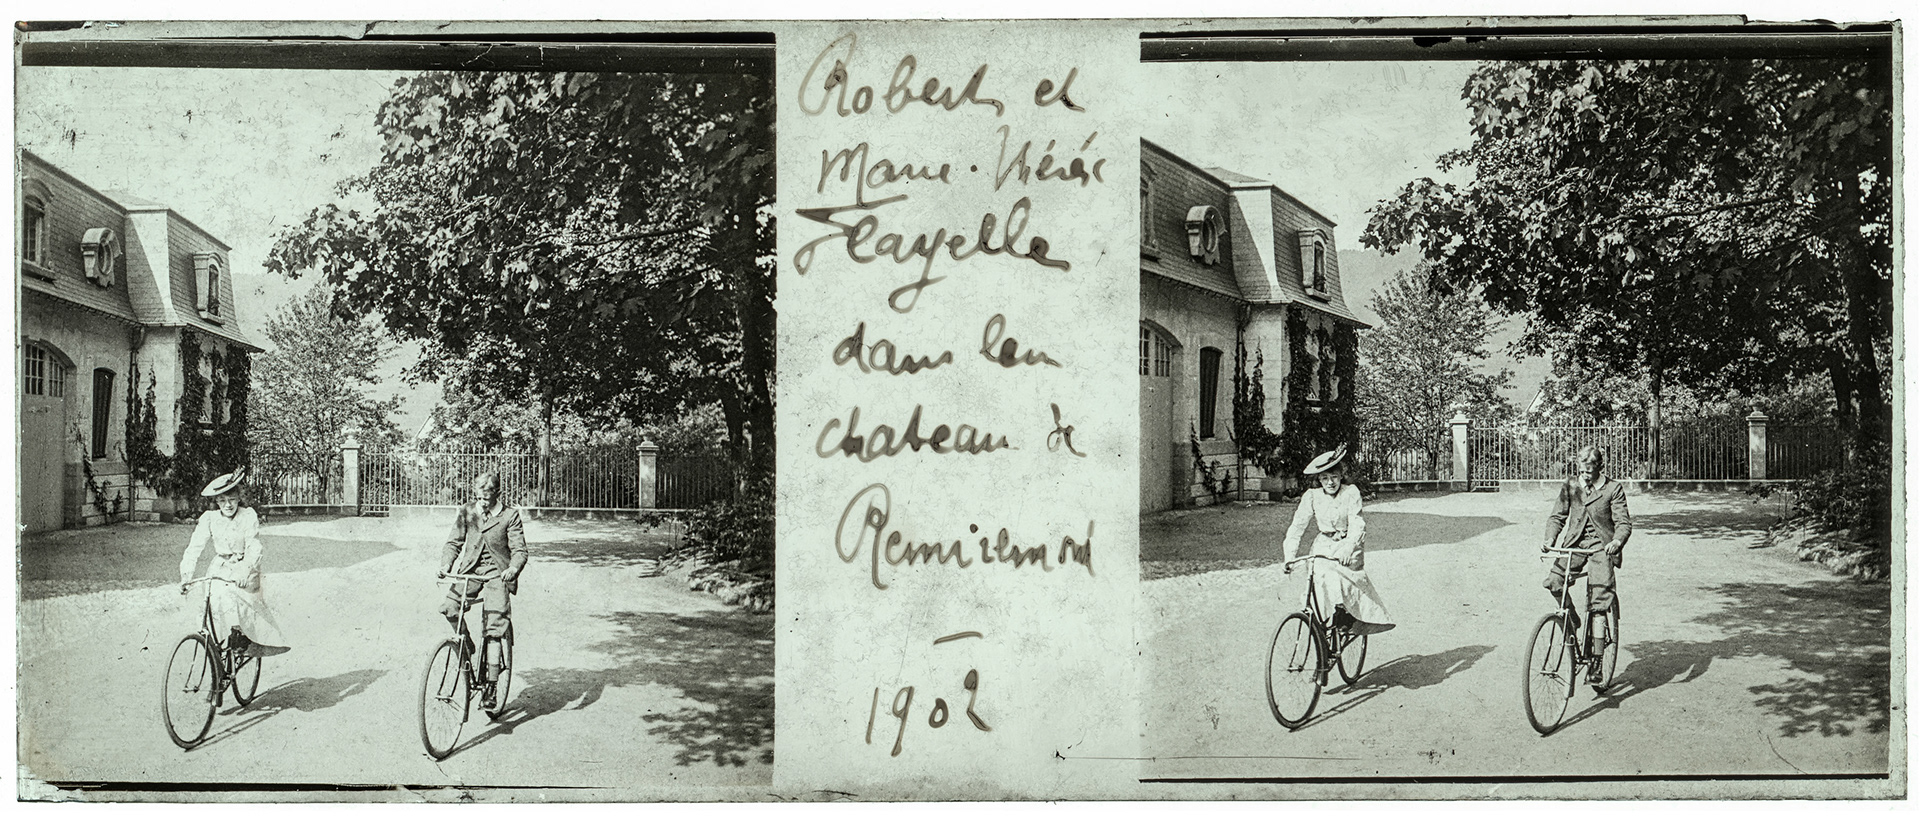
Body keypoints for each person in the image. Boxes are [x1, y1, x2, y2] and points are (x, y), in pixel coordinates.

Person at [1282, 444, 1395, 636]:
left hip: (1348, 543)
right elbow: (1297, 527)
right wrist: (1289, 556)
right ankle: (1321, 628)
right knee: (1316, 579)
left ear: (1341, 475)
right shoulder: (1312, 496)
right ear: (1319, 480)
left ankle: (1346, 616)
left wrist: (1348, 548)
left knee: (1339, 576)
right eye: (1325, 478)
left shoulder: (1350, 492)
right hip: (1324, 544)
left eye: (1334, 477)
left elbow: (1357, 523)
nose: (1330, 482)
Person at [1541, 445, 1632, 683]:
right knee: (1554, 582)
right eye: (1582, 471)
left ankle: (1597, 663)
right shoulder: (1572, 485)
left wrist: (1617, 541)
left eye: (1590, 472)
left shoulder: (1613, 489)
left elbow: (1623, 523)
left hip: (1601, 548)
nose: (1585, 476)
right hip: (1575, 545)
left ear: (1599, 467)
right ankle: (1572, 619)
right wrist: (1550, 538)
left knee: (1599, 602)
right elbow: (1557, 516)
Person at [178, 467, 291, 657]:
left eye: (231, 499)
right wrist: (186, 576)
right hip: (220, 565)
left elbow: (254, 547)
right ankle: (215, 647)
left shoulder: (247, 515)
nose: (227, 505)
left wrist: (244, 572)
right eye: (222, 500)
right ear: (216, 502)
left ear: (239, 498)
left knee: (239, 599)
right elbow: (194, 547)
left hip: (245, 565)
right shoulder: (209, 518)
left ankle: (243, 640)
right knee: (210, 601)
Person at [438, 472, 528, 708]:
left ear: (497, 493)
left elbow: (520, 550)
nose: (483, 503)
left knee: (494, 627)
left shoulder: (510, 516)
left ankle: (491, 686)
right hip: (470, 572)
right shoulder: (468, 511)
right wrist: (446, 564)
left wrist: (513, 568)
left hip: (497, 575)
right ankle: (466, 645)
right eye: (479, 497)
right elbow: (453, 542)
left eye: (487, 498)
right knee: (449, 608)